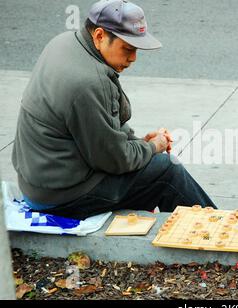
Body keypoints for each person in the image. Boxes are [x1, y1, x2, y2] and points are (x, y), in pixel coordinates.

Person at [12, 0, 216, 220]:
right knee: (166, 171)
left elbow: (101, 125)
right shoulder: (88, 82)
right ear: (100, 36)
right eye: (127, 48)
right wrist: (152, 147)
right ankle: (217, 231)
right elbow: (114, 160)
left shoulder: (63, 43)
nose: (133, 58)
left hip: (38, 181)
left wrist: (137, 144)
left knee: (148, 169)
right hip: (60, 197)